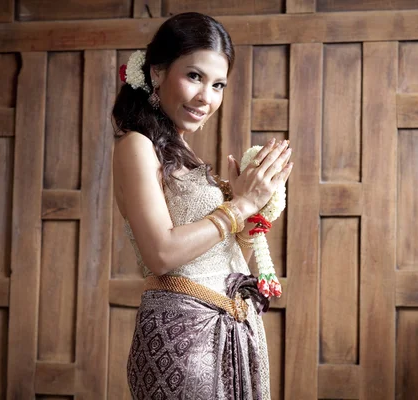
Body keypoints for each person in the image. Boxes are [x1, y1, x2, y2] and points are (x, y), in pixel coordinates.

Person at [111, 12, 293, 399]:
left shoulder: (182, 152)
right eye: (194, 76)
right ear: (157, 72)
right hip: (184, 340)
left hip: (227, 333)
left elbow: (222, 256)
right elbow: (161, 254)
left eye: (218, 84)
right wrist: (240, 204)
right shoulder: (136, 146)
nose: (205, 97)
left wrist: (255, 209)